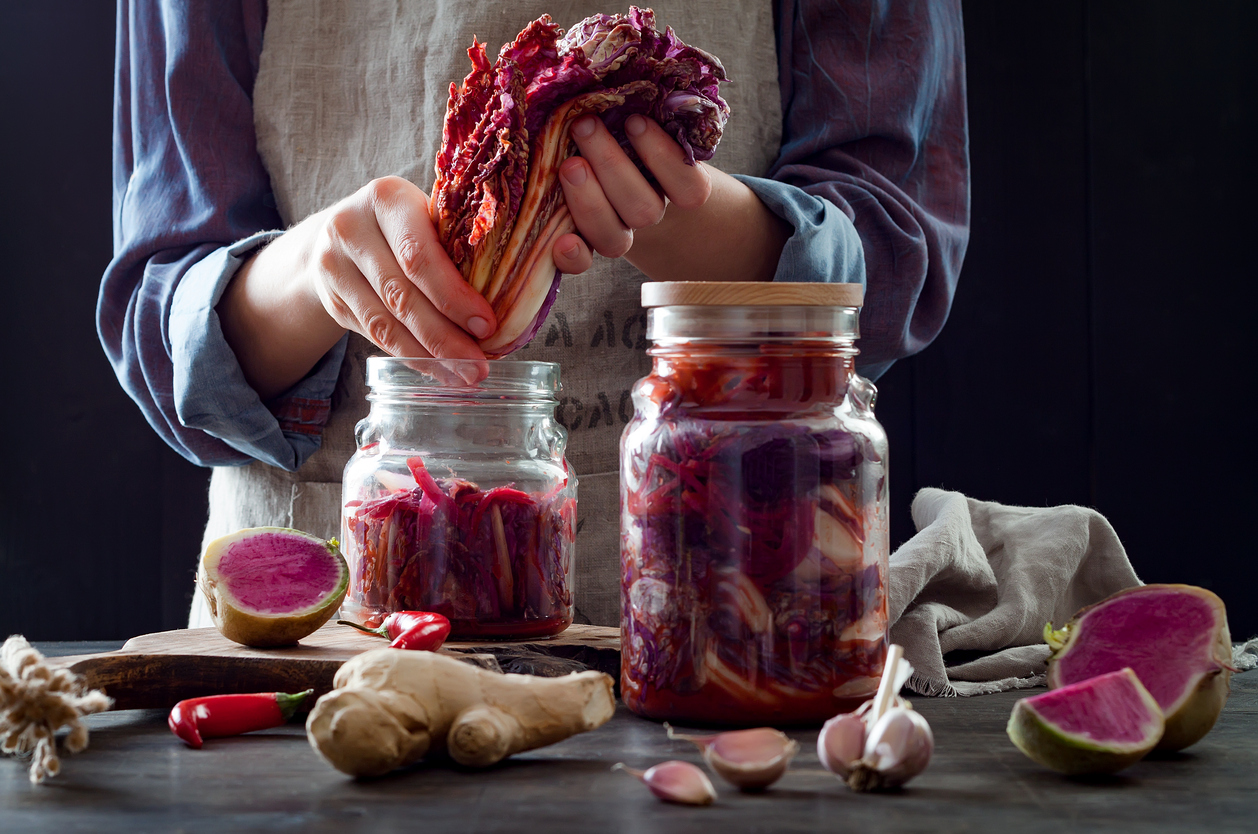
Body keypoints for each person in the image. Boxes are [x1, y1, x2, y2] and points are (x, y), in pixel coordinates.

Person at [99, 0, 969, 627]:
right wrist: (312, 273)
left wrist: (665, 210)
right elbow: (163, 316)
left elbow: (892, 264)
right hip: (319, 644)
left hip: (726, 617)